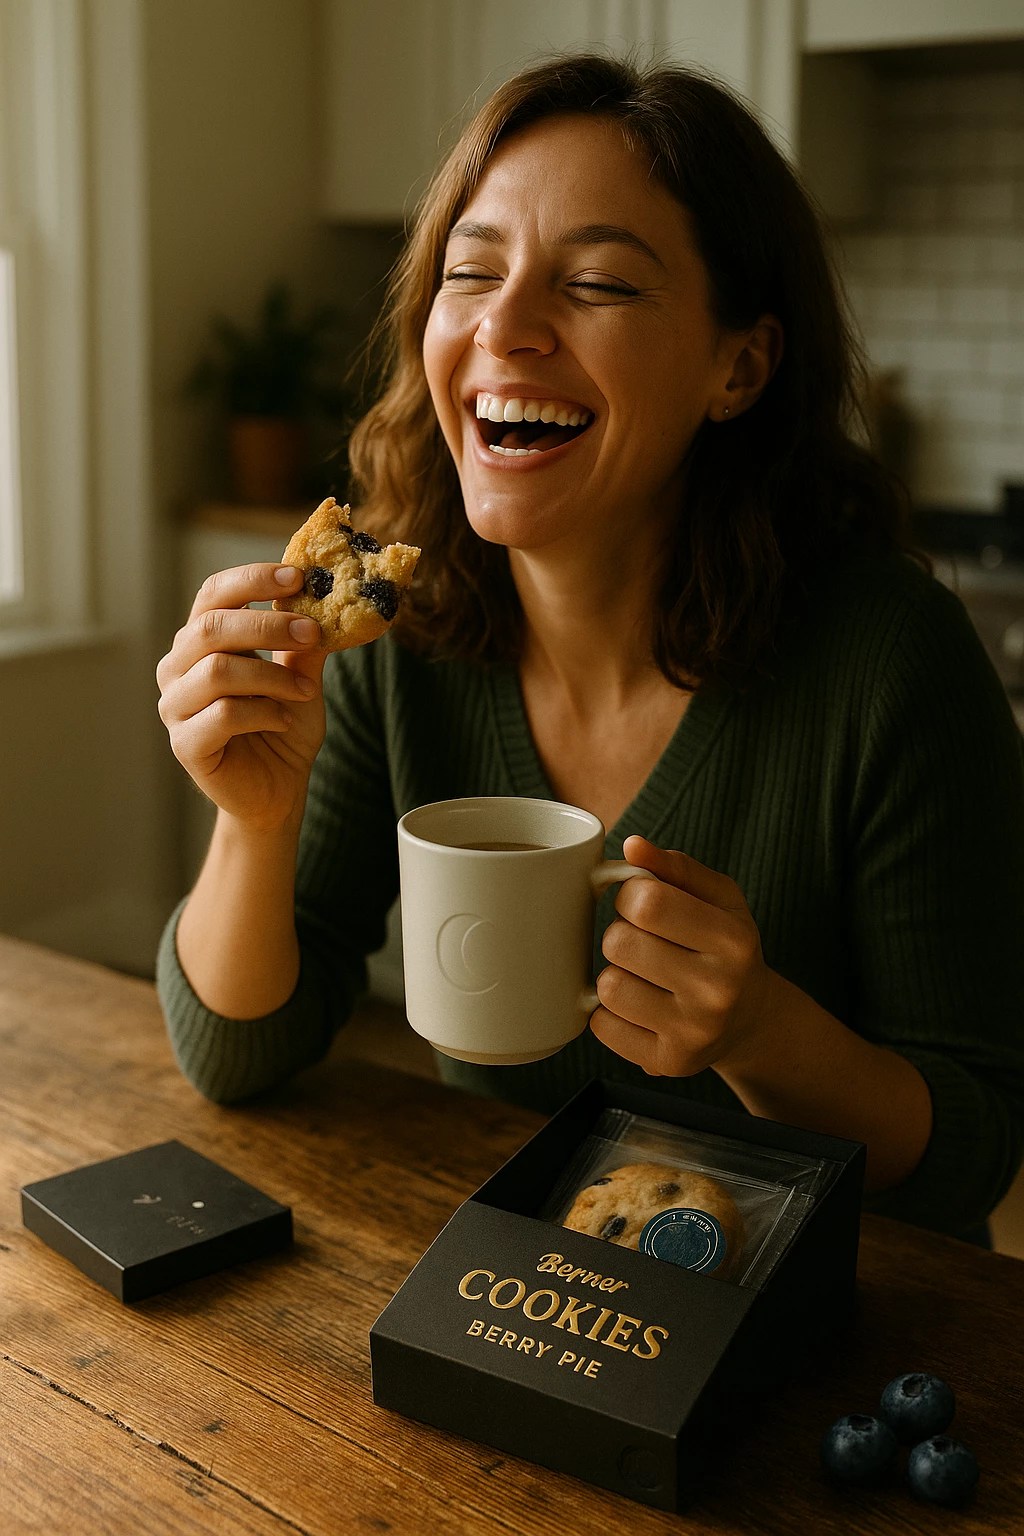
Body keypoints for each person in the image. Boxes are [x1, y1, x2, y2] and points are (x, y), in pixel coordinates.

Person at [156, 53, 1024, 1244]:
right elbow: (238, 1052)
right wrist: (251, 818)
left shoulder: (888, 663)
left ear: (739, 366)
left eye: (601, 285)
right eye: (470, 273)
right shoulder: (397, 641)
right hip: (503, 1302)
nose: (505, 327)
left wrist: (759, 1029)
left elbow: (973, 1148)